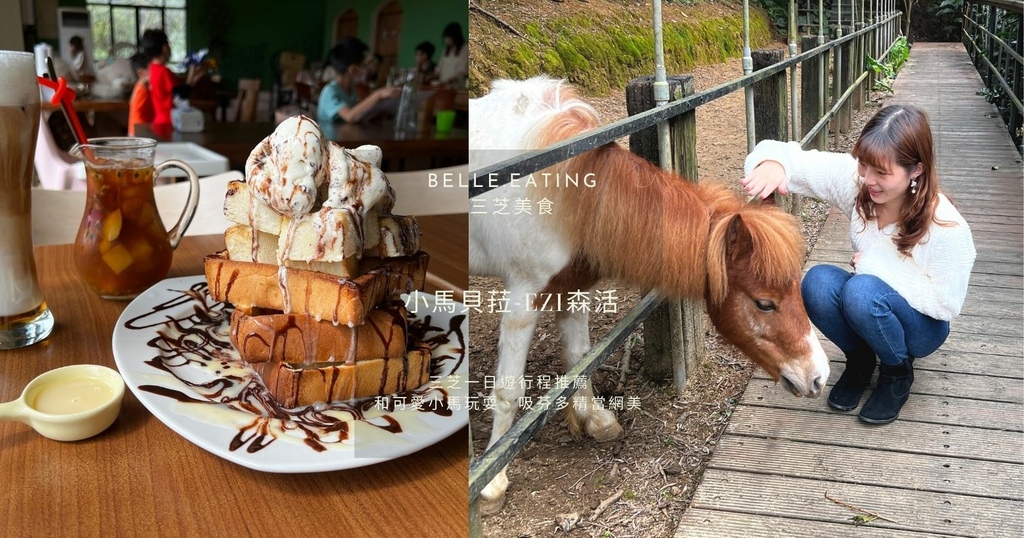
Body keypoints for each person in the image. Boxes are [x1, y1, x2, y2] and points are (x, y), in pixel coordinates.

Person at [741, 104, 976, 424]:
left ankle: (897, 373)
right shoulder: (861, 184)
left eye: (882, 172)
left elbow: (946, 304)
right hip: (875, 298)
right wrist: (773, 165)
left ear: (916, 170)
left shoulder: (948, 227)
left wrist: (879, 267)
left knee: (862, 291)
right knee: (817, 282)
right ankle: (861, 360)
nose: (868, 179)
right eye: (864, 166)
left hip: (924, 326)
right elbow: (793, 158)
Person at [317, 37, 400, 125]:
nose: (366, 70)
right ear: (353, 70)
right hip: (327, 138)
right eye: (363, 66)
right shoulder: (330, 91)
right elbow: (350, 116)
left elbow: (357, 114)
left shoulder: (351, 90)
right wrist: (378, 95)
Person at [127, 53, 153, 137]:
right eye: (152, 69)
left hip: (135, 130)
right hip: (139, 133)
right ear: (141, 72)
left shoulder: (138, 86)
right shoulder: (143, 87)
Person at [434, 22, 467, 88]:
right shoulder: (446, 49)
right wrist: (430, 76)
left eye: (449, 37)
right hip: (443, 86)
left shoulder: (465, 48)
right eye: (446, 38)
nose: (447, 40)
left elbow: (462, 71)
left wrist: (448, 81)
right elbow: (439, 67)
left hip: (456, 87)